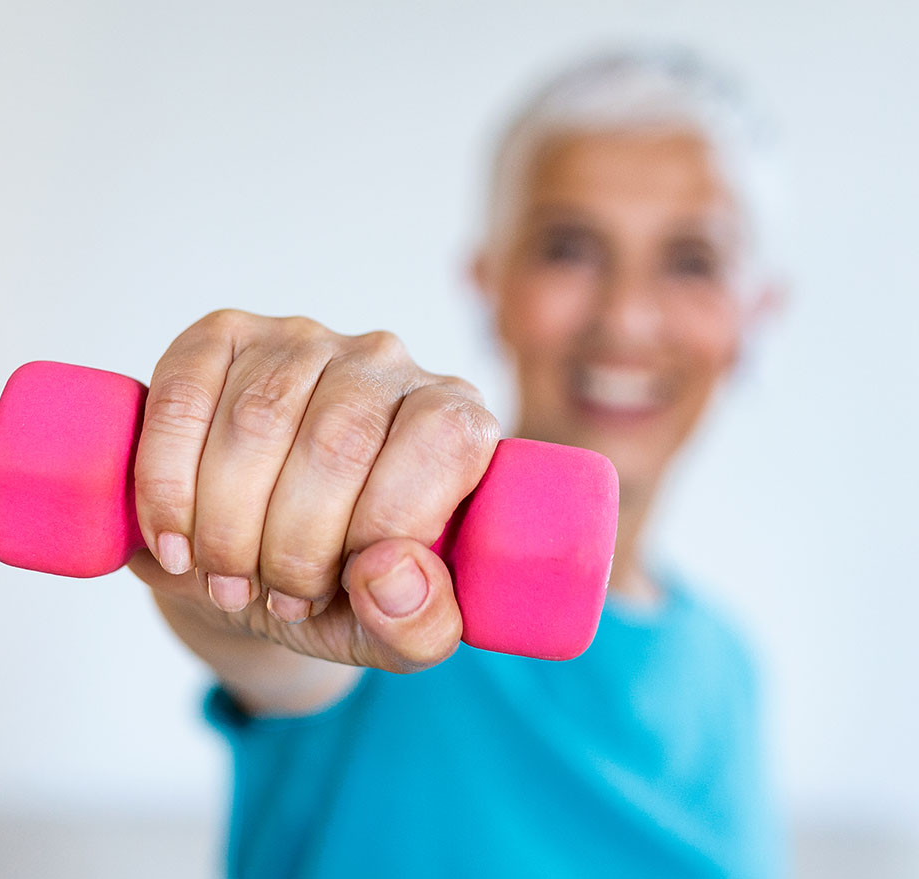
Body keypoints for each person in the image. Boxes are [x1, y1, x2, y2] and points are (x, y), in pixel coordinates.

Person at [127, 48, 785, 878]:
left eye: (691, 260)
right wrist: (241, 549)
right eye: (569, 249)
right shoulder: (378, 547)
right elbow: (268, 640)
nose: (626, 317)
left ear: (755, 313)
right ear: (491, 283)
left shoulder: (729, 668)